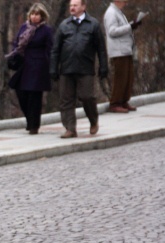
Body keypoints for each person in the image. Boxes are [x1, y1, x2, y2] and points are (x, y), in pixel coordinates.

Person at [50, 0, 108, 139]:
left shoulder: (93, 24)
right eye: (71, 5)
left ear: (83, 7)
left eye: (75, 5)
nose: (72, 8)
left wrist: (103, 66)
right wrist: (53, 68)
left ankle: (93, 120)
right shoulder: (64, 25)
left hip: (85, 68)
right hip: (67, 68)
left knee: (87, 96)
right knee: (66, 100)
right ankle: (70, 129)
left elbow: (101, 48)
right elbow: (55, 50)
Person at [6, 3, 54, 135]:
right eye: (32, 14)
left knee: (34, 96)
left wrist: (51, 66)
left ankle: (33, 125)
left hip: (39, 66)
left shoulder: (46, 30)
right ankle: (30, 119)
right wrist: (14, 56)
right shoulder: (24, 27)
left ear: (42, 16)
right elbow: (17, 43)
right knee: (20, 91)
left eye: (37, 14)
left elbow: (50, 48)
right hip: (25, 64)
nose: (34, 17)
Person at [103, 0, 141, 113]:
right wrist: (130, 26)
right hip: (118, 50)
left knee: (128, 77)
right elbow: (112, 31)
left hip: (125, 49)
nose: (126, 2)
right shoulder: (111, 13)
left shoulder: (119, 12)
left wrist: (133, 24)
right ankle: (115, 103)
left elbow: (122, 28)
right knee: (120, 77)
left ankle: (124, 100)